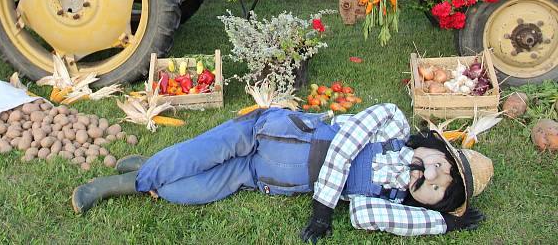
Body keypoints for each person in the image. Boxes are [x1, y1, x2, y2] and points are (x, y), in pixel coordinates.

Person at [72, 103, 492, 240]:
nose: (429, 179)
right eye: (439, 167)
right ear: (432, 145)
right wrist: (324, 208)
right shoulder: (394, 124)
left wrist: (441, 225)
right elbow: (343, 148)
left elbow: (366, 217)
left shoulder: (383, 200)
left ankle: (150, 173)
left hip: (263, 177)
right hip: (265, 133)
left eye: (437, 191)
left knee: (189, 191)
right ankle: (119, 184)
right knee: (198, 153)